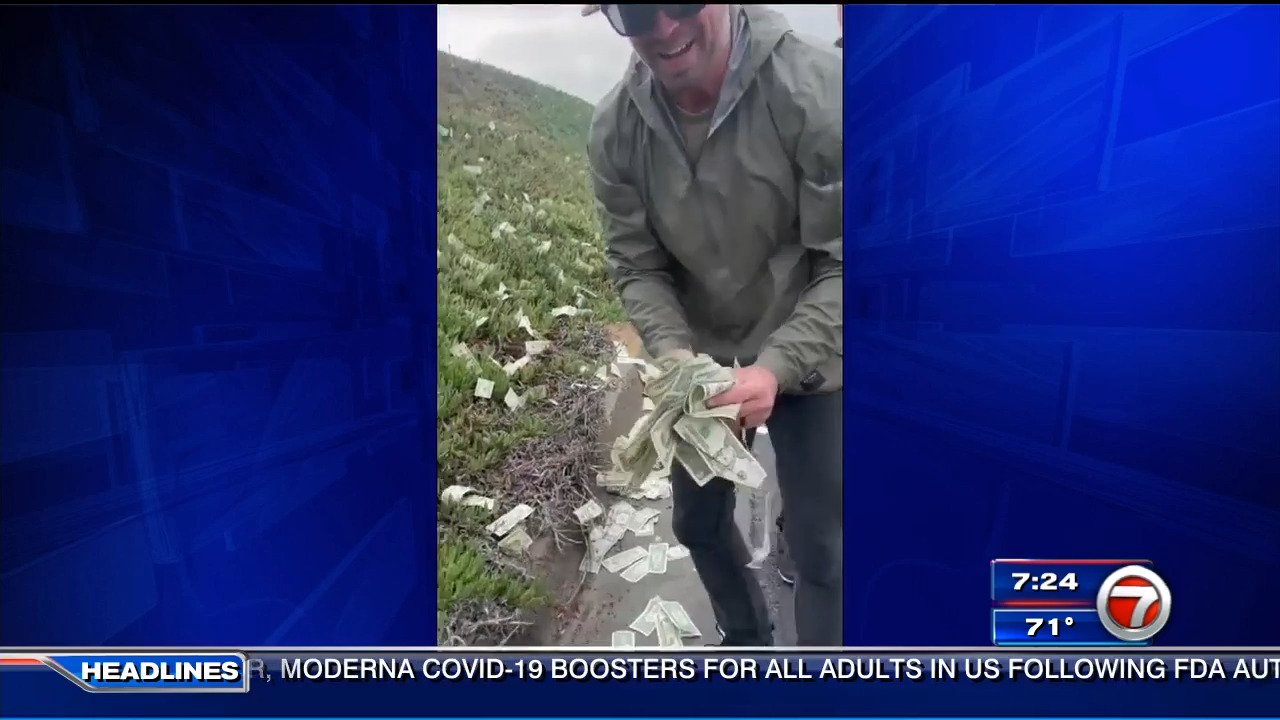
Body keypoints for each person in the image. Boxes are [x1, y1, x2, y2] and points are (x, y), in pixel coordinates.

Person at [585, 4, 843, 646]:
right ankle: (747, 643)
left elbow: (849, 262)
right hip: (702, 366)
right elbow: (636, 264)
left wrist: (776, 367)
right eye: (637, 11)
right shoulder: (616, 129)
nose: (665, 28)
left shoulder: (818, 89)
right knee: (697, 525)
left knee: (824, 550)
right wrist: (674, 356)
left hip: (811, 354)